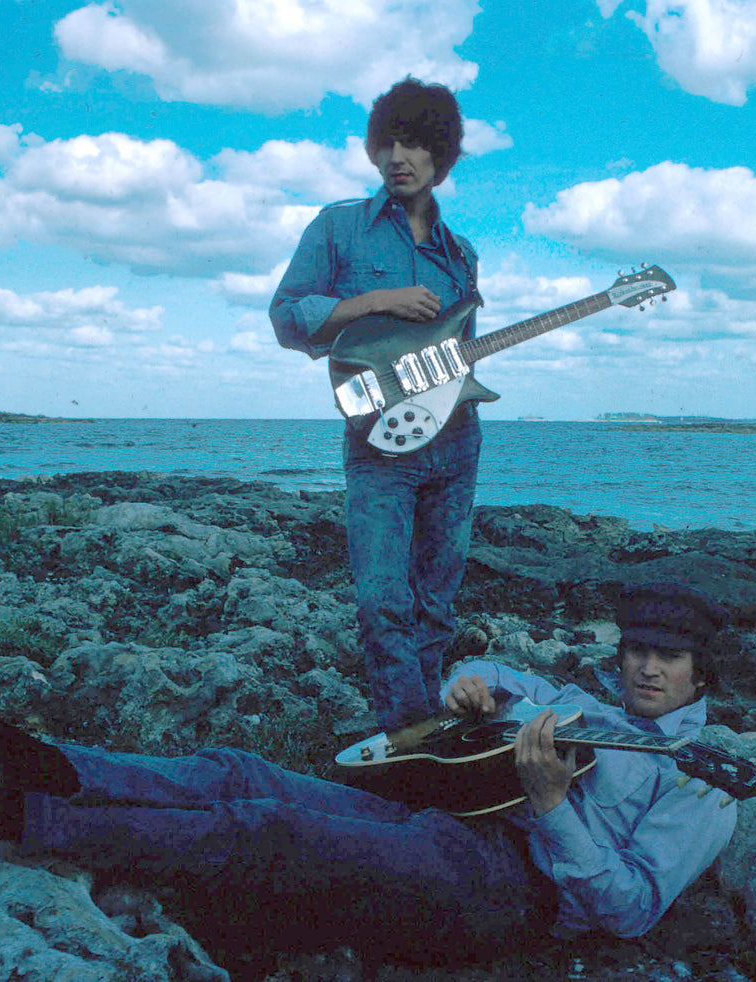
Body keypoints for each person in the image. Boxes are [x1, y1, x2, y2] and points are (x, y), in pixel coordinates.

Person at [0, 582, 743, 966]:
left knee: (264, 830)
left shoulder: (700, 780)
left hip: (515, 897)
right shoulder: (590, 703)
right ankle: (18, 755)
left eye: (667, 660)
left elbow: (627, 913)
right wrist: (473, 686)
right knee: (236, 768)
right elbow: (511, 681)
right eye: (636, 652)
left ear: (704, 674)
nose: (646, 671)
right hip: (452, 824)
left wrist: (553, 809)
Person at [269, 76, 483, 736]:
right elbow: (286, 317)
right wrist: (373, 302)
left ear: (440, 157)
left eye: (415, 144)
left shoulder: (460, 255)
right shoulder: (340, 228)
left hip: (455, 440)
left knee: (436, 601)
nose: (398, 156)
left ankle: (420, 727)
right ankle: (408, 725)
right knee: (382, 598)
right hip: (377, 444)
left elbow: (457, 359)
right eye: (386, 141)